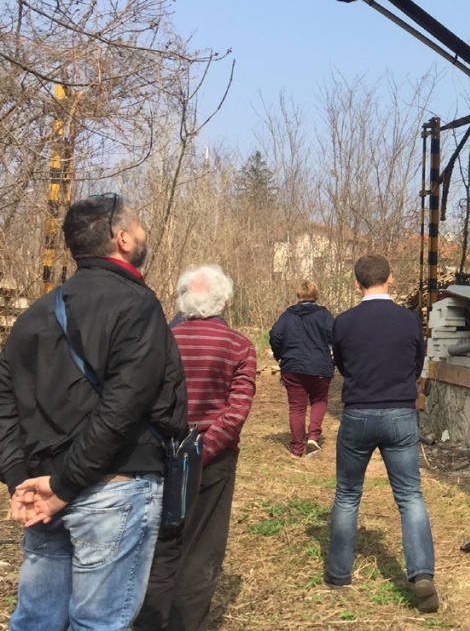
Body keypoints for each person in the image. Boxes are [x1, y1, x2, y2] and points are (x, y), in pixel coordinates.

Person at [0, 194, 187, 630]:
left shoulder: (32, 315)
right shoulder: (138, 306)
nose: (143, 234)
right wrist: (61, 484)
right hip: (109, 490)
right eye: (138, 226)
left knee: (35, 622)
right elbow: (124, 407)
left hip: (42, 490)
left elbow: (3, 405)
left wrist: (18, 481)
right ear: (122, 239)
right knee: (97, 623)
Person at [136, 265, 256, 631]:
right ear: (224, 302)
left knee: (158, 545)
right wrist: (201, 451)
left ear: (182, 299)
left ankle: (149, 622)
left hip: (156, 457)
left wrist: (163, 447)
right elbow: (236, 411)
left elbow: (139, 400)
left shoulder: (158, 342)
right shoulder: (239, 346)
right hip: (211, 461)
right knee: (202, 548)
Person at [326, 254, 438, 613]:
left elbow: (341, 365)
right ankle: (421, 572)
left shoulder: (342, 323)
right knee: (409, 496)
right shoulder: (409, 321)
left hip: (358, 412)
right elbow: (417, 362)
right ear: (390, 279)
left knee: (347, 494)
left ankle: (339, 574)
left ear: (357, 284)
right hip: (400, 413)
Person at [269, 280, 334, 458]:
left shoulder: (287, 316)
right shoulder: (324, 315)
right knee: (319, 400)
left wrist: (279, 355)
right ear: (316, 295)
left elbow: (275, 334)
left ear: (298, 296)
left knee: (297, 408)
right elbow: (335, 335)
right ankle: (313, 436)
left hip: (293, 367)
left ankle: (297, 448)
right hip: (320, 367)